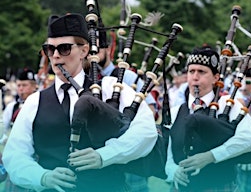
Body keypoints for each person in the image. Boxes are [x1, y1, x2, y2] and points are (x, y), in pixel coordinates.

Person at [2, 13, 158, 192]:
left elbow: (146, 131)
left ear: (84, 51)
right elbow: (15, 154)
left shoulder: (110, 89)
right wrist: (42, 177)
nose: (55, 56)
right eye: (50, 49)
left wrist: (105, 155)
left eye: (64, 48)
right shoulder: (35, 101)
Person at [165, 46, 251, 191]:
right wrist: (173, 170)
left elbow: (249, 138)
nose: (195, 77)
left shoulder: (227, 105)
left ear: (216, 78)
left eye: (201, 72)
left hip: (218, 186)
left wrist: (211, 156)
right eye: (191, 71)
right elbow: (168, 151)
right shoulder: (176, 111)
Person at [95, 29, 158, 192]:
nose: (92, 54)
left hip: (130, 157)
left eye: (97, 49)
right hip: (100, 157)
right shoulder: (89, 79)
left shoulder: (128, 77)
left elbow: (151, 111)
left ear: (108, 49)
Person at [1, 68, 38, 191]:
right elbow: (2, 129)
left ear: (34, 86)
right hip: (17, 158)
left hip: (37, 159)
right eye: (19, 85)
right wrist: (6, 139)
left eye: (24, 85)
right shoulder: (12, 107)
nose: (21, 88)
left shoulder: (41, 105)